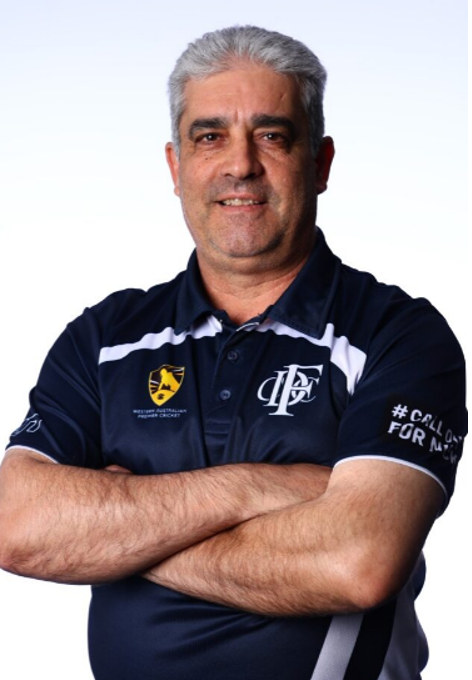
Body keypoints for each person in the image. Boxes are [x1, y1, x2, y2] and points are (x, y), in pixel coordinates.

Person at [0, 25, 466, 680]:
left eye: (272, 136)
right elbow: (15, 524)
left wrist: (117, 533)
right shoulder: (105, 338)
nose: (240, 164)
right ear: (175, 167)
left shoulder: (399, 334)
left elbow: (358, 562)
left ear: (320, 163)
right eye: (210, 137)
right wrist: (262, 488)